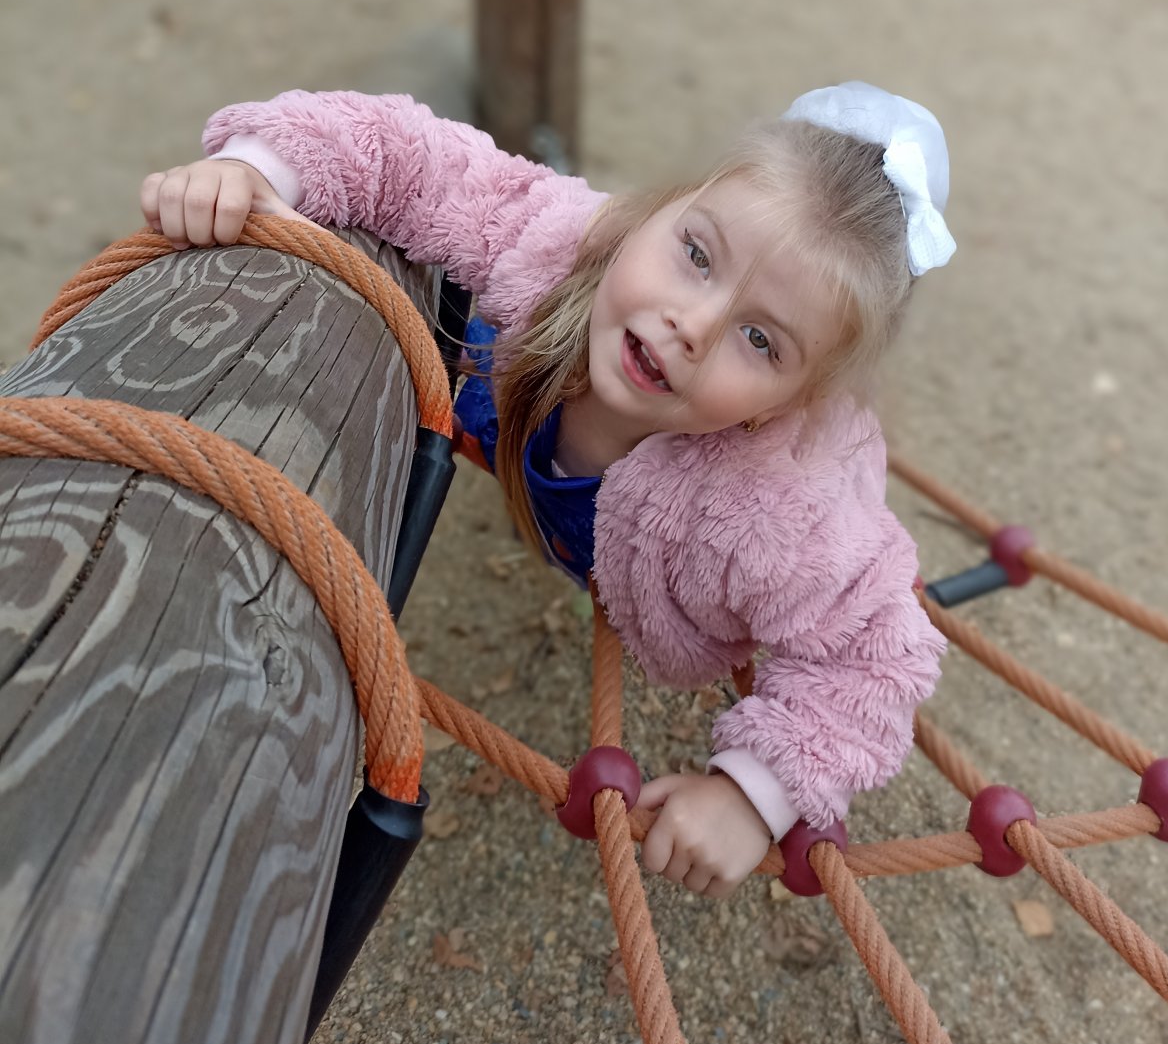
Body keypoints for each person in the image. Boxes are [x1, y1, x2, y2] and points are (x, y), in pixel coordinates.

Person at [140, 82, 954, 898]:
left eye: (760, 340)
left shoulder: (777, 515)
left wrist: (756, 793)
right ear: (653, 215)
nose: (692, 325)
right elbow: (416, 157)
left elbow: (878, 657)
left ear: (786, 405)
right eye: (697, 256)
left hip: (673, 545)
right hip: (514, 422)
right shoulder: (564, 245)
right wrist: (262, 167)